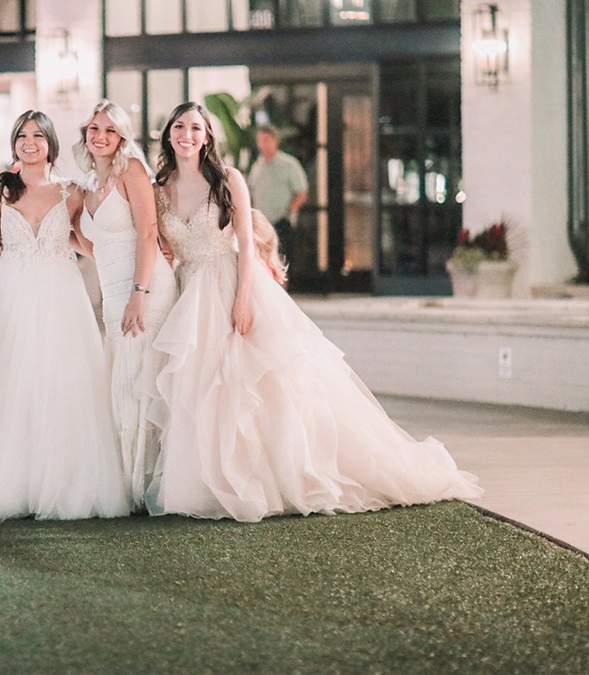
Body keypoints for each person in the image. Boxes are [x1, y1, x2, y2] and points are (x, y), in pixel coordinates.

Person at [147, 102, 482, 522]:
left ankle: (271, 479)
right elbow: (155, 242)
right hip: (188, 294)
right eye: (179, 126)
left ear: (208, 137)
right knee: (201, 390)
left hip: (230, 283)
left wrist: (243, 299)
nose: (187, 134)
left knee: (254, 388)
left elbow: (248, 245)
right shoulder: (159, 188)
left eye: (196, 127)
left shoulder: (229, 180)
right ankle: (208, 483)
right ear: (168, 134)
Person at [0, 110, 131, 521]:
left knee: (63, 384)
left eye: (39, 136)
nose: (30, 142)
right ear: (14, 143)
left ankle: (64, 483)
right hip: (9, 295)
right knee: (12, 388)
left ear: (51, 143)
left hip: (61, 295)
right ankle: (12, 486)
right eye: (22, 135)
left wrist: (133, 262)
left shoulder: (71, 192)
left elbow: (86, 239)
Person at [73, 99, 178, 511]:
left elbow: (148, 233)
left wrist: (138, 292)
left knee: (140, 380)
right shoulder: (85, 185)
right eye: (94, 129)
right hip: (112, 289)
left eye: (110, 131)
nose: (100, 137)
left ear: (121, 137)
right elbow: (94, 245)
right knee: (122, 378)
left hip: (144, 287)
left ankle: (147, 483)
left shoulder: (131, 171)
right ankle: (127, 482)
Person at [246, 124, 307, 262]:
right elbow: (251, 193)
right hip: (261, 225)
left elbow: (301, 193)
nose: (263, 144)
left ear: (275, 141)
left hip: (281, 222)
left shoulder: (289, 164)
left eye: (267, 140)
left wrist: (288, 214)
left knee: (280, 263)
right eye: (260, 140)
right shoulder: (257, 167)